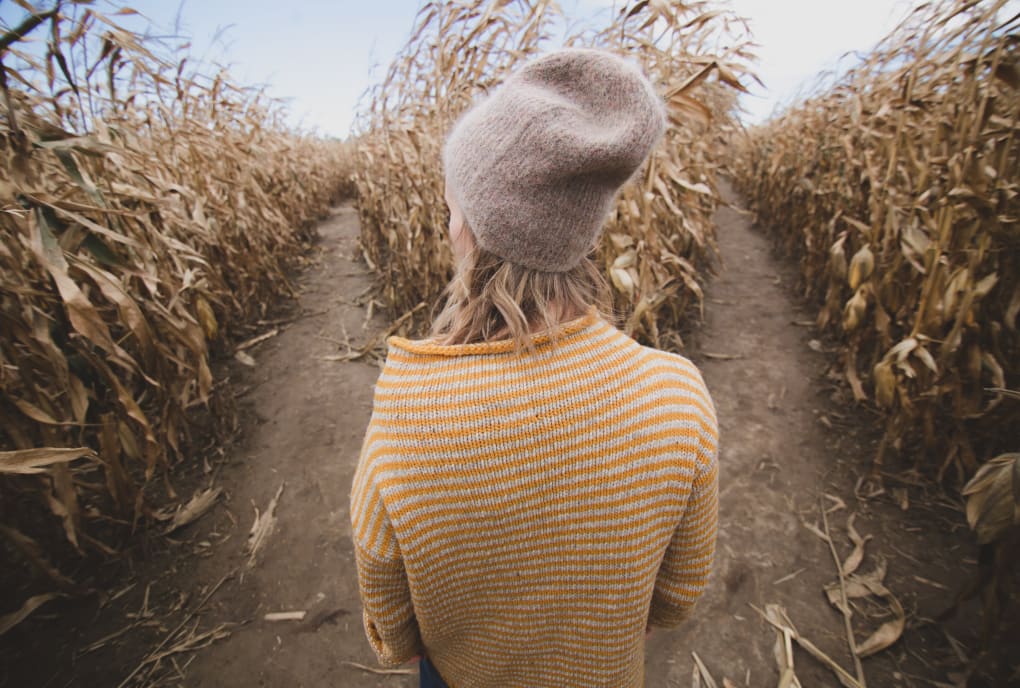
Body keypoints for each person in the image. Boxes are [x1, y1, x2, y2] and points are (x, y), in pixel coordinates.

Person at [350, 47, 719, 688]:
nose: (446, 221)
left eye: (451, 206)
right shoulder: (677, 398)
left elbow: (392, 630)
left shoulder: (408, 416)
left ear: (473, 228)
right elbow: (678, 596)